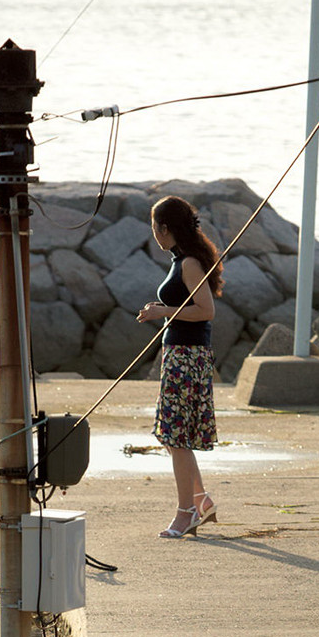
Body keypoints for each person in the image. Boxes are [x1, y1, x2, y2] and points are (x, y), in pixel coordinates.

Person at [136, 195, 222, 538]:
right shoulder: (181, 261)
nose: (153, 233)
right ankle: (201, 501)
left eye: (154, 226)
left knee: (177, 437)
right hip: (180, 355)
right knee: (175, 438)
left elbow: (206, 310)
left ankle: (185, 512)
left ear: (164, 228)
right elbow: (188, 306)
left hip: (188, 358)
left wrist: (163, 312)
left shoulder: (188, 263)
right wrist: (161, 309)